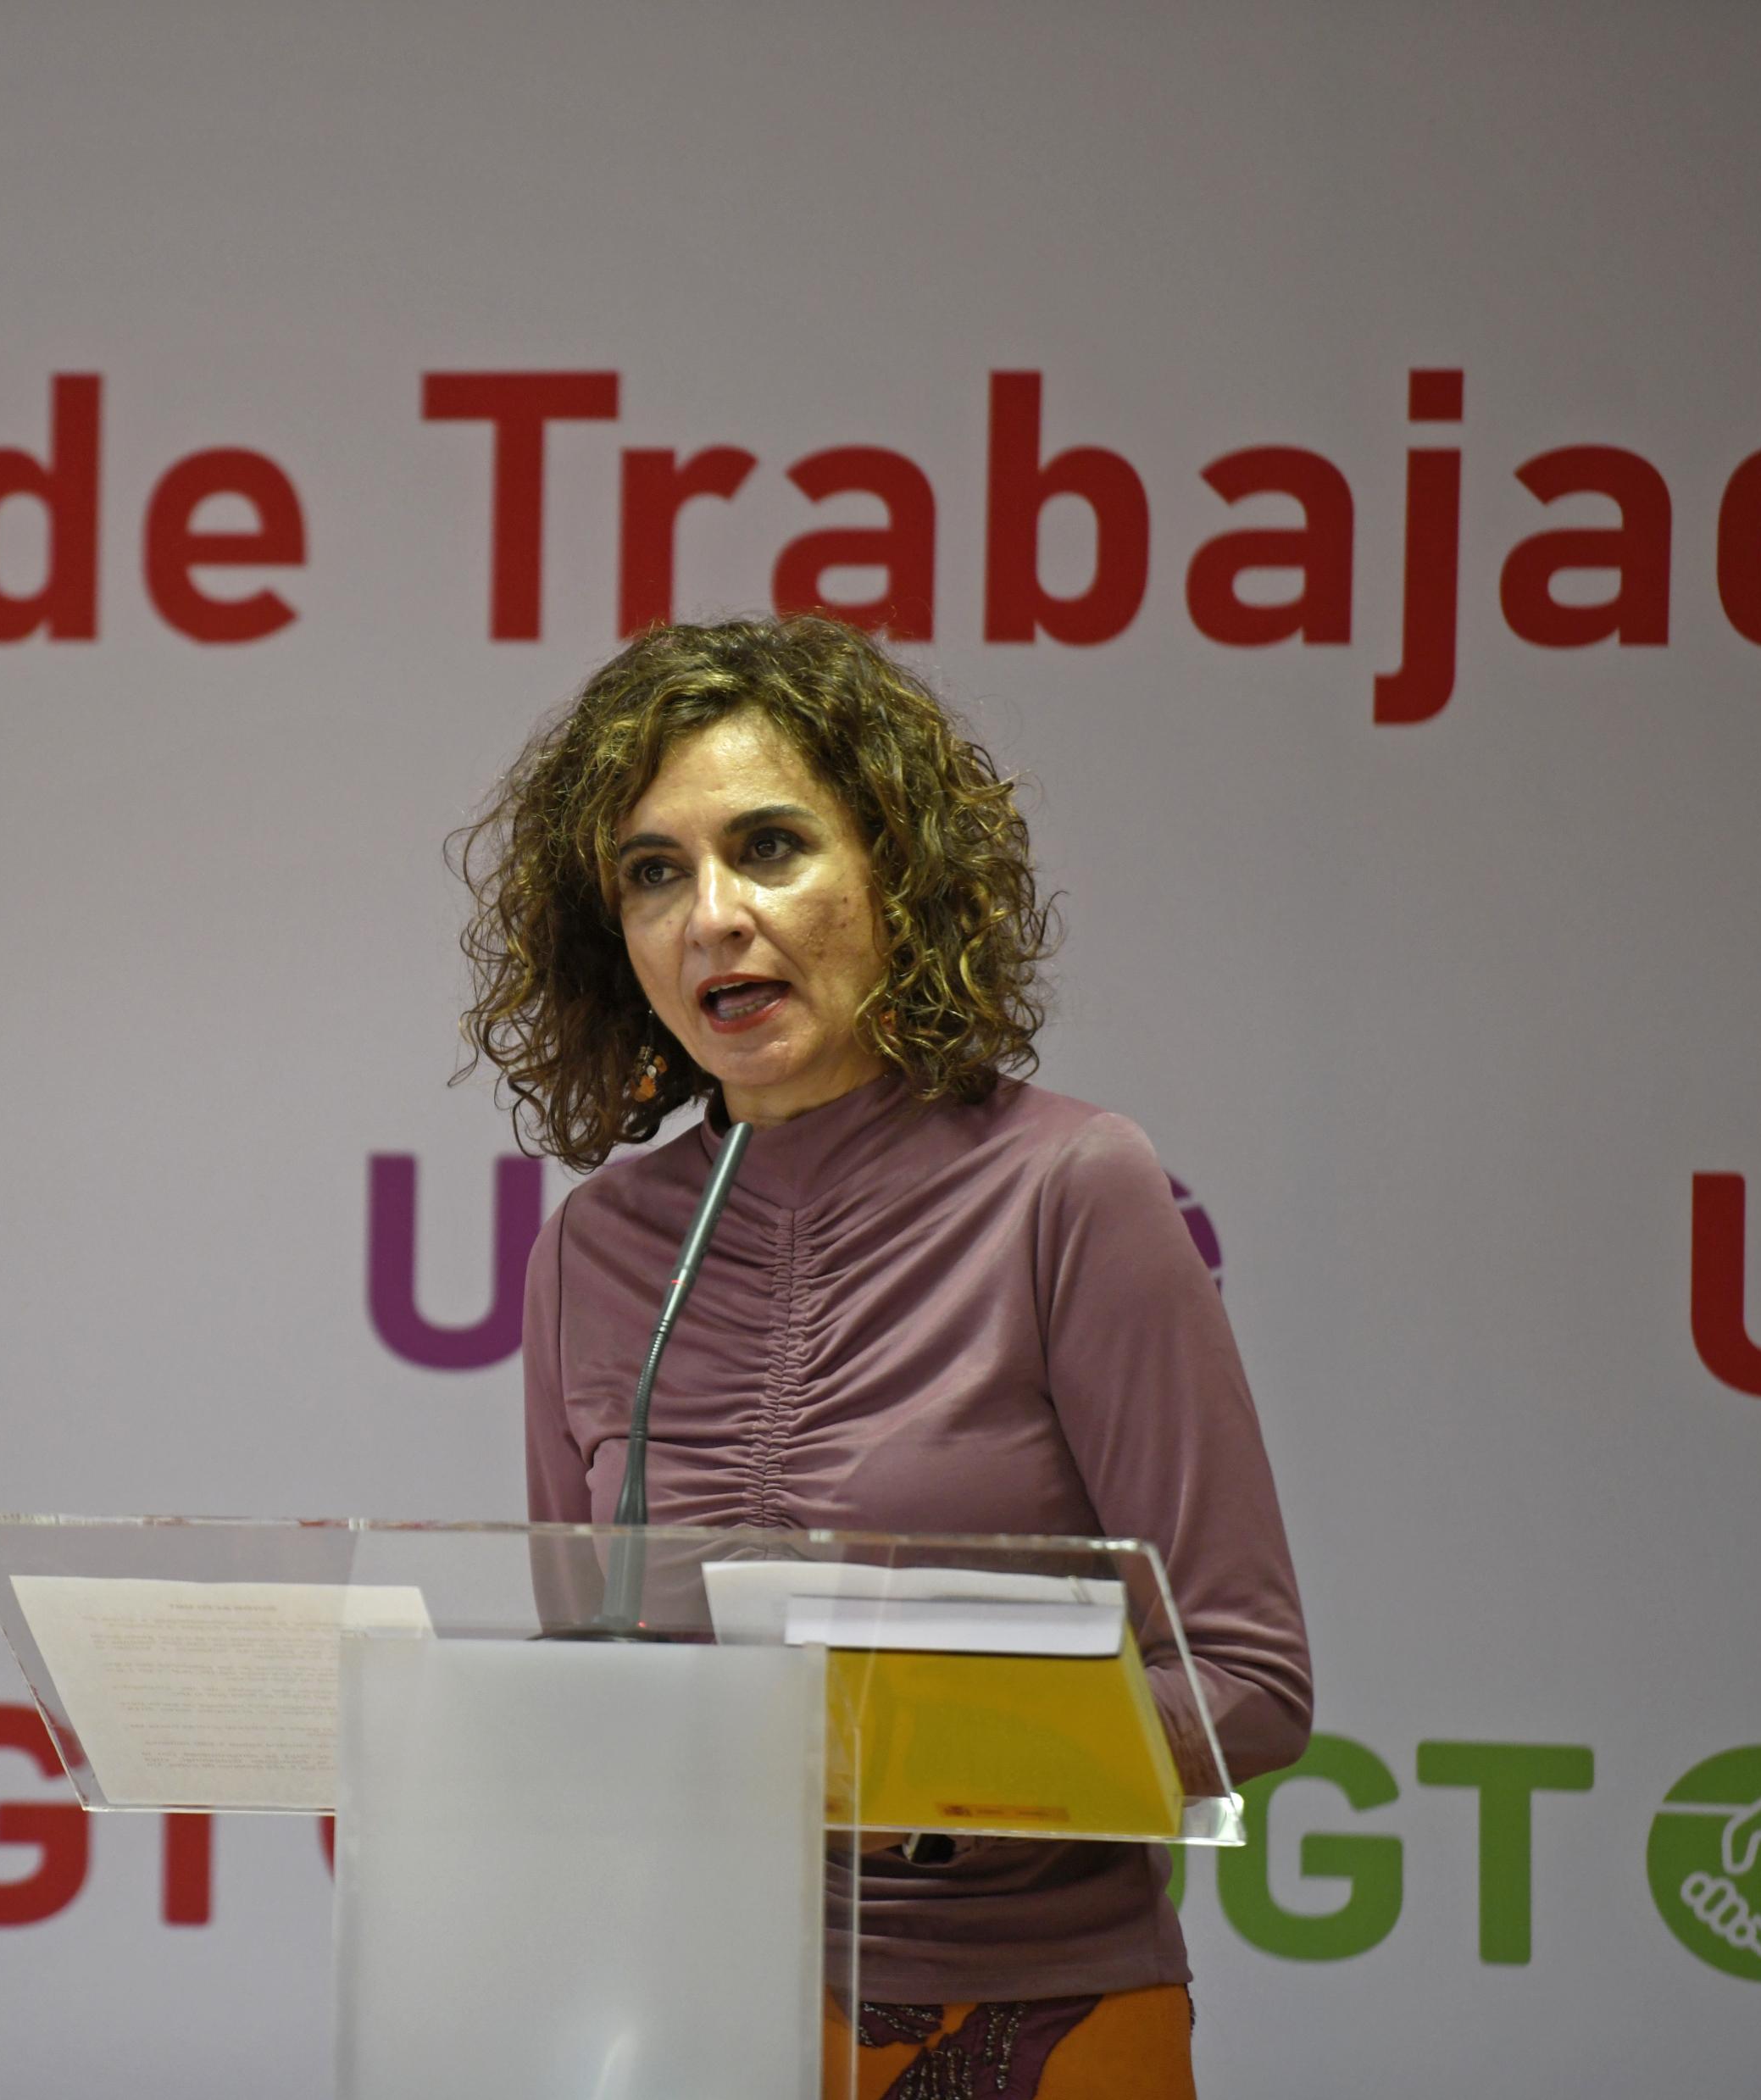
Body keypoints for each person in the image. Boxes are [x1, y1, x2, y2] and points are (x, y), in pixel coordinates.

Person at [458, 616, 1310, 2100]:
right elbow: (582, 1673)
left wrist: (926, 1756)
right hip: (678, 2009)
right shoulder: (594, 1250)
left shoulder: (1070, 1188)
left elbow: (1245, 1680)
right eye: (654, 872)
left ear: (895, 877)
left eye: (769, 846)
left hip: (1027, 2021)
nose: (710, 914)